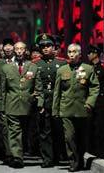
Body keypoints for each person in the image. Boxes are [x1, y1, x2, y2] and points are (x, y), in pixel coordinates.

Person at [53, 43, 99, 172]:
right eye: (69, 52)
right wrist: (55, 110)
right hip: (66, 109)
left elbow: (94, 87)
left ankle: (79, 159)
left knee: (82, 137)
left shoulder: (88, 69)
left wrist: (90, 103)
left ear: (79, 54)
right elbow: (57, 91)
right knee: (69, 137)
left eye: (74, 52)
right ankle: (73, 161)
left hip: (83, 109)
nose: (71, 54)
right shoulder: (62, 70)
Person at [0, 41, 42, 168]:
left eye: (21, 49)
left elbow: (38, 87)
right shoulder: (6, 68)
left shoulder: (33, 67)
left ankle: (22, 152)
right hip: (11, 105)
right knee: (14, 131)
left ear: (25, 51)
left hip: (29, 106)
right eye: (16, 49)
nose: (18, 51)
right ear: (13, 50)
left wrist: (39, 103)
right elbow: (2, 89)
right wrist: (2, 107)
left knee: (26, 131)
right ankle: (17, 157)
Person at [34, 34, 66, 167]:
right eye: (43, 46)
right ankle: (47, 158)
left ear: (54, 47)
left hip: (58, 101)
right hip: (43, 102)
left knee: (59, 130)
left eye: (48, 46)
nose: (45, 48)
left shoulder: (62, 63)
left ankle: (58, 156)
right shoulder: (35, 64)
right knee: (44, 132)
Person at [87, 44, 104, 158]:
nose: (88, 55)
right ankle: (91, 149)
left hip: (100, 102)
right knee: (89, 127)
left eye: (90, 53)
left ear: (95, 54)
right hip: (89, 102)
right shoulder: (87, 68)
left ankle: (101, 151)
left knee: (100, 127)